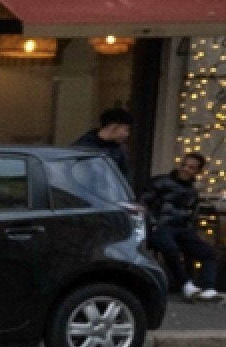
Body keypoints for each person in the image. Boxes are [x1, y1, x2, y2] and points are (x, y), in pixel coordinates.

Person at [147, 152, 223, 302]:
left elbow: (191, 215)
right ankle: (186, 284)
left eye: (191, 167)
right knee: (170, 249)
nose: (186, 169)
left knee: (208, 253)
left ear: (197, 171)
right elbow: (144, 204)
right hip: (160, 226)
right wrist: (152, 224)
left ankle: (207, 288)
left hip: (181, 229)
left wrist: (191, 232)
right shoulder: (160, 182)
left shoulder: (192, 192)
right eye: (184, 165)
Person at [74, 107, 134, 173]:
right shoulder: (83, 148)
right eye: (126, 129)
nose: (127, 134)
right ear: (113, 127)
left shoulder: (119, 149)